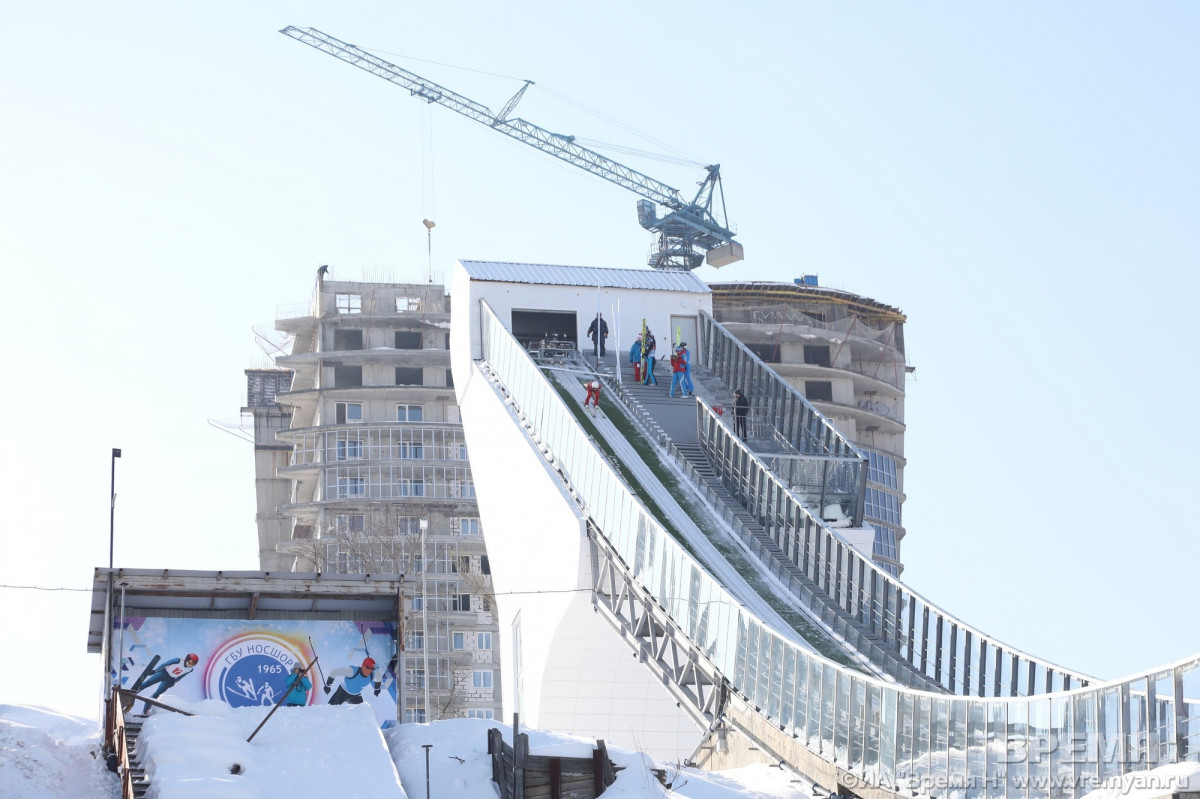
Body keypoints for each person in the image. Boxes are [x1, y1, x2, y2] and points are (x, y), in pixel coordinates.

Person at [133, 653, 199, 715]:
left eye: (193, 664)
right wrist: (155, 671)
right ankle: (134, 692)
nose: (191, 664)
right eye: (190, 662)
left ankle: (145, 711)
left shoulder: (190, 669)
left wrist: (174, 682)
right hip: (163, 673)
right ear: (187, 659)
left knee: (157, 694)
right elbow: (165, 664)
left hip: (170, 679)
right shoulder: (178, 660)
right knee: (148, 683)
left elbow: (180, 677)